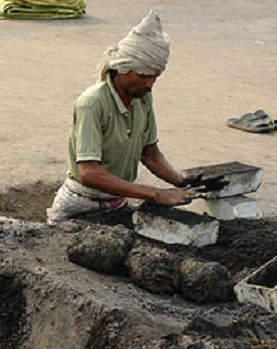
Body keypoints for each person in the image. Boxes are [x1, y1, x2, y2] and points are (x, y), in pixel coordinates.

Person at [46, 10, 207, 225]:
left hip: (117, 202)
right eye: (143, 76)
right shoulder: (92, 102)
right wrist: (156, 193)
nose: (150, 84)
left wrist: (183, 182)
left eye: (155, 77)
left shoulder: (143, 97)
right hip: (81, 204)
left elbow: (149, 154)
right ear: (122, 69)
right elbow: (89, 173)